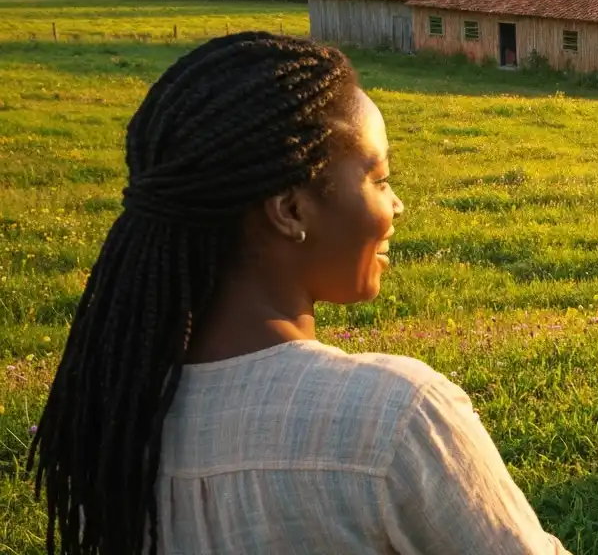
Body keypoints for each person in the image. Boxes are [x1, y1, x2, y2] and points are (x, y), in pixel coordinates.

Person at [28, 33, 568, 554]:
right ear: (290, 210)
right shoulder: (394, 417)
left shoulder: (111, 420)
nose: (396, 205)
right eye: (379, 179)